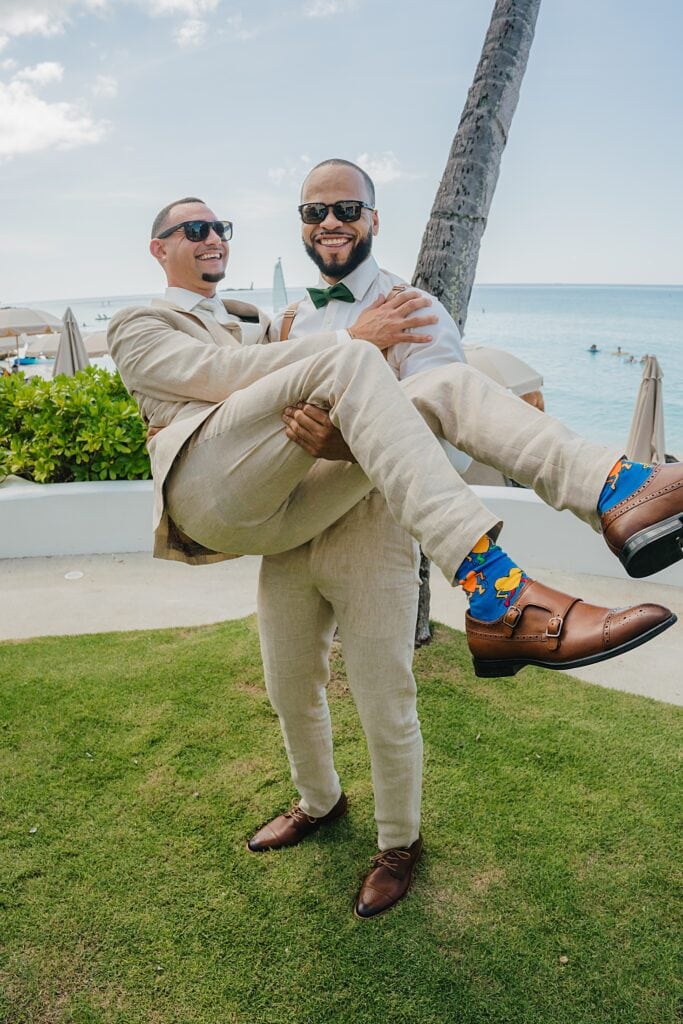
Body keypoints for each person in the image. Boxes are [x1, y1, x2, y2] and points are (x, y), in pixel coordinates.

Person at [108, 193, 682, 900]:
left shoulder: (351, 312)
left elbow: (419, 434)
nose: (213, 238)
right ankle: (497, 592)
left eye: (219, 227)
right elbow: (215, 382)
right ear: (158, 247)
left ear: (372, 220)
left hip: (337, 508)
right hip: (212, 488)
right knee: (352, 370)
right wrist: (355, 343)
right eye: (194, 229)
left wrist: (345, 416)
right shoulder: (144, 321)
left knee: (441, 386)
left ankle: (617, 486)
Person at [253, 158, 470, 918]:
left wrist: (347, 446)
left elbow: (445, 431)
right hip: (288, 529)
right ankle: (318, 801)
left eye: (346, 208)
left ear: (374, 219)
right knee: (288, 686)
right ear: (302, 225)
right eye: (315, 212)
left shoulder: (413, 310)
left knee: (384, 697)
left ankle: (398, 841)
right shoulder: (286, 321)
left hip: (374, 529)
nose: (330, 223)